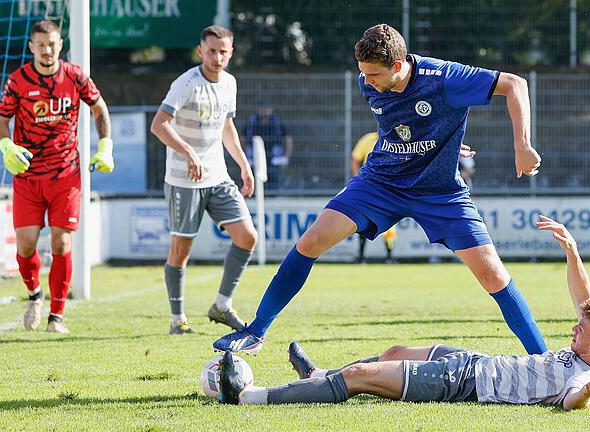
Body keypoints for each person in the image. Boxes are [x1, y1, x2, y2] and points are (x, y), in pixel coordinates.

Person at [214, 24, 545, 355]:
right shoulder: (368, 80)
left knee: (493, 275)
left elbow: (515, 84)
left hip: (439, 192)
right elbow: (401, 125)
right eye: (363, 73)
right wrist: (437, 141)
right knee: (311, 240)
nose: (366, 81)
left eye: (373, 74)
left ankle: (544, 362)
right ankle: (256, 331)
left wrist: (523, 145)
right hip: (381, 181)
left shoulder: (444, 77)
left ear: (398, 66)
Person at [217, 215, 590, 410]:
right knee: (394, 351)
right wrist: (572, 251)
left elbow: (573, 402)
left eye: (581, 329)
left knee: (360, 378)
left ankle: (250, 397)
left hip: (467, 384)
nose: (574, 327)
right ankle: (317, 378)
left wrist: (586, 396)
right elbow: (585, 301)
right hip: (476, 361)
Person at [0, 20, 114, 334]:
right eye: (41, 44)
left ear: (61, 45)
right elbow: (1, 120)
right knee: (26, 244)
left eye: (53, 44)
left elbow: (99, 108)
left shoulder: (74, 76)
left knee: (61, 243)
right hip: (28, 176)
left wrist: (105, 147)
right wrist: (6, 145)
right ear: (32, 47)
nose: (47, 50)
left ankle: (56, 316)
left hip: (65, 175)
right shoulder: (18, 81)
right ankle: (35, 294)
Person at [150, 26, 257, 335]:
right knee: (180, 251)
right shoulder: (186, 83)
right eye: (212, 51)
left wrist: (244, 166)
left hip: (218, 176)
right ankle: (177, 319)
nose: (217, 57)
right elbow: (159, 124)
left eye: (223, 51)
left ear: (231, 52)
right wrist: (187, 152)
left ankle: (222, 305)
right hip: (184, 180)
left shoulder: (230, 83)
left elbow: (227, 127)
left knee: (247, 237)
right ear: (200, 51)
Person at [351, 131, 396, 263]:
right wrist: (358, 180)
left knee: (390, 225)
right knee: (364, 221)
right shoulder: (368, 140)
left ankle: (389, 257)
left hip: (388, 188)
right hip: (369, 187)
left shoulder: (396, 140)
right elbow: (355, 159)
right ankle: (361, 257)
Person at [244, 105, 294, 191]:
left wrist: (286, 156)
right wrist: (244, 156)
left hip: (274, 155)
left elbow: (288, 140)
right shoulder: (252, 122)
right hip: (255, 155)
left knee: (273, 176)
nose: (264, 111)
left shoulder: (277, 122)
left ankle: (272, 194)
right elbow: (242, 138)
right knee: (254, 175)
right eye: (262, 108)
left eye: (267, 108)